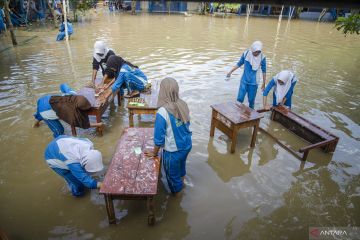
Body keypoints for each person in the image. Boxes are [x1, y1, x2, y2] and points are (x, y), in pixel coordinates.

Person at [145, 78, 192, 196]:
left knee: (173, 179)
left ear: (163, 91)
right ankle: (182, 185)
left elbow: (159, 139)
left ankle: (178, 200)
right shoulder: (183, 104)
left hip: (173, 152)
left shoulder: (163, 111)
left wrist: (154, 153)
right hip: (187, 145)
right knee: (181, 170)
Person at [33, 84, 102, 137]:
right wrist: (99, 124)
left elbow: (63, 85)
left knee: (40, 110)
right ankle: (58, 145)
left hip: (46, 98)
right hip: (45, 111)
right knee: (60, 131)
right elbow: (83, 125)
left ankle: (37, 121)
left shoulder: (73, 95)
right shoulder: (70, 113)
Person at [226, 40, 267, 109]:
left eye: (258, 52)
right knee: (240, 99)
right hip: (244, 81)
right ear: (252, 49)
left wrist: (264, 83)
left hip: (254, 83)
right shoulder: (246, 54)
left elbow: (264, 71)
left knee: (251, 100)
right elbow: (239, 64)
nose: (256, 53)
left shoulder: (262, 57)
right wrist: (230, 72)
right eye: (255, 51)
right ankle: (237, 114)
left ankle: (251, 116)